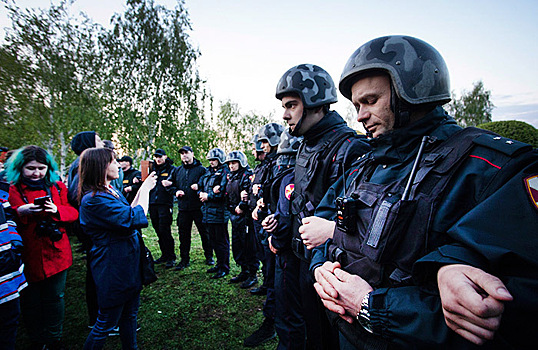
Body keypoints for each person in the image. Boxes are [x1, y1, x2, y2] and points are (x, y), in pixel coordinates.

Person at [310, 35, 538, 349]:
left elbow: (517, 314)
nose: (360, 115)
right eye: (357, 105)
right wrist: (321, 268)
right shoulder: (365, 165)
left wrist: (371, 306)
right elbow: (336, 232)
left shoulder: (493, 167)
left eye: (371, 100)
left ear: (412, 92)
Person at [271, 63, 370, 350]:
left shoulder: (351, 148)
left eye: (291, 104)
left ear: (315, 102)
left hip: (337, 271)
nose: (285, 114)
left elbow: (364, 220)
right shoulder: (305, 145)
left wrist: (330, 233)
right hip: (306, 263)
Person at [78, 147, 157, 349]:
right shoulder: (94, 199)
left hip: (127, 262)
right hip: (113, 265)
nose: (117, 165)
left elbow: (130, 211)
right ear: (100, 166)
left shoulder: (109, 190)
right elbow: (134, 217)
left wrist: (141, 190)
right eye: (112, 161)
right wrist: (146, 189)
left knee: (130, 315)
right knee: (106, 321)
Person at [7, 145, 78, 350]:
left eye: (41, 168)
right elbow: (6, 220)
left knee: (55, 298)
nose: (37, 173)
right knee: (30, 301)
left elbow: (73, 213)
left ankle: (54, 338)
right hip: (28, 254)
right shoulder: (12, 189)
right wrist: (20, 211)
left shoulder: (57, 187)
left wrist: (57, 210)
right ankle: (36, 339)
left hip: (57, 252)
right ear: (20, 168)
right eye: (31, 168)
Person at [67, 131, 104, 329]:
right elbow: (75, 195)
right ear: (88, 144)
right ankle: (97, 317)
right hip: (90, 226)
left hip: (87, 224)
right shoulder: (82, 164)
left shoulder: (82, 163)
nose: (102, 143)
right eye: (98, 140)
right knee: (96, 270)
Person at [163, 146, 214, 270]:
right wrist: (176, 192)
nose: (184, 155)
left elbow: (208, 185)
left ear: (192, 154)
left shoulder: (202, 170)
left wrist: (199, 187)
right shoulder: (177, 170)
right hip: (183, 208)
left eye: (186, 153)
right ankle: (184, 260)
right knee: (183, 235)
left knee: (205, 233)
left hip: (199, 207)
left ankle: (209, 256)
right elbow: (169, 185)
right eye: (182, 154)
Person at [249, 122, 284, 297]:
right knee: (265, 257)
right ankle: (268, 286)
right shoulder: (270, 163)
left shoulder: (280, 162)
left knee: (272, 261)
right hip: (265, 216)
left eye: (264, 142)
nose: (261, 146)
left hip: (275, 220)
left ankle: (272, 293)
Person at [0, 179, 27, 350]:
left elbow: (8, 215)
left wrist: (15, 242)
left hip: (7, 271)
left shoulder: (2, 191)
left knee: (9, 322)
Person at [225, 150, 258, 289]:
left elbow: (249, 194)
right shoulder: (230, 177)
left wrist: (242, 206)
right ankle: (243, 270)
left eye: (234, 163)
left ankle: (252, 274)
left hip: (245, 217)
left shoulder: (247, 175)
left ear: (241, 162)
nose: (231, 166)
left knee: (248, 245)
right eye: (229, 163)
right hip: (234, 216)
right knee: (237, 244)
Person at [199, 148, 230, 279]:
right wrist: (201, 194)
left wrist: (209, 196)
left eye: (214, 160)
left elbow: (223, 192)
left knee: (221, 241)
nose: (211, 162)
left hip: (219, 212)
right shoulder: (207, 172)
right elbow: (200, 185)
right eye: (210, 160)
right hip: (207, 211)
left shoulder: (225, 172)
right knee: (213, 240)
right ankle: (218, 264)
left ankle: (224, 267)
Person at [149, 148, 175, 268]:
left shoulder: (171, 169)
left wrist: (171, 185)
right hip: (153, 203)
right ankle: (164, 254)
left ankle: (171, 256)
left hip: (165, 203)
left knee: (165, 229)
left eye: (160, 156)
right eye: (156, 157)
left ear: (165, 157)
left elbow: (176, 183)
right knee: (157, 229)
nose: (158, 159)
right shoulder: (152, 169)